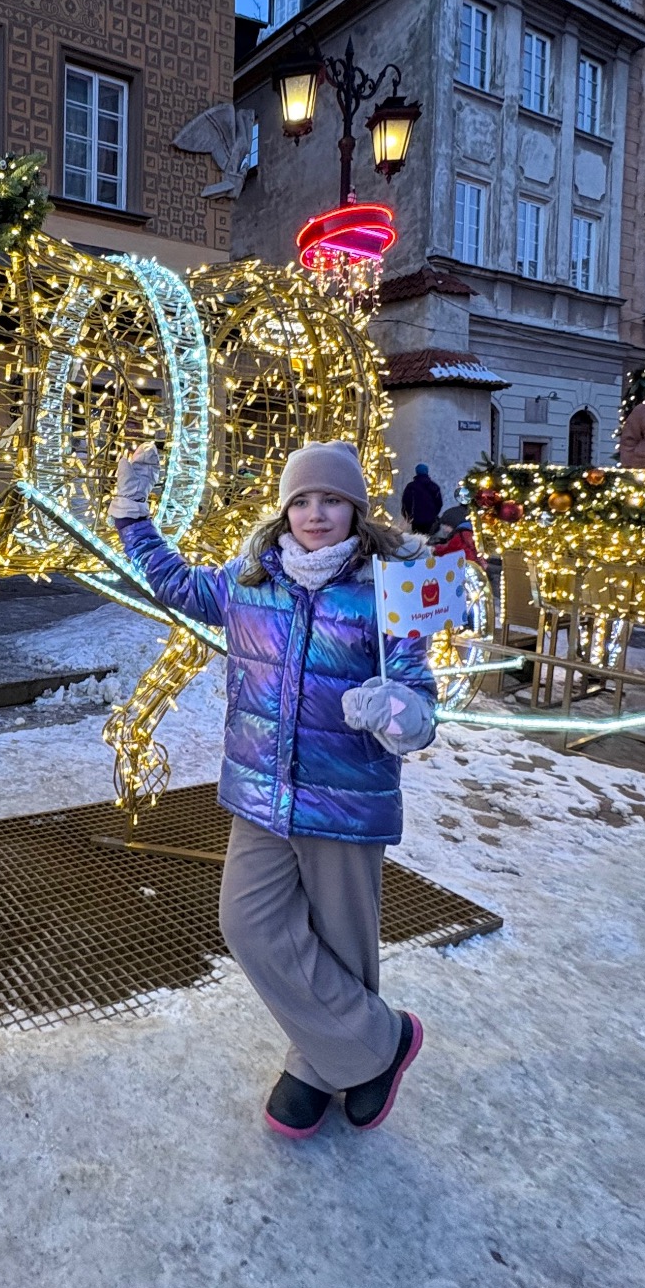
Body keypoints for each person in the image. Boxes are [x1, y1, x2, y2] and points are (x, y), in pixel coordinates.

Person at [110, 438, 435, 1141]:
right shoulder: (249, 579)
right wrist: (131, 515)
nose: (315, 514)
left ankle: (319, 1065)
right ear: (284, 509)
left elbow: (420, 697)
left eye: (331, 500)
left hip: (345, 800)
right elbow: (173, 583)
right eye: (302, 500)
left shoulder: (391, 583)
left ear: (354, 507)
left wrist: (399, 712)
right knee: (249, 924)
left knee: (342, 946)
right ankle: (379, 1043)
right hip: (260, 795)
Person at [400, 462, 443, 532]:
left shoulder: (411, 487)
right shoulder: (434, 487)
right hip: (430, 520)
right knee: (429, 539)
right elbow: (439, 503)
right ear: (427, 472)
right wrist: (434, 514)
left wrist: (408, 515)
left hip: (416, 520)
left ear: (416, 472)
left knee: (417, 539)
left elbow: (406, 502)